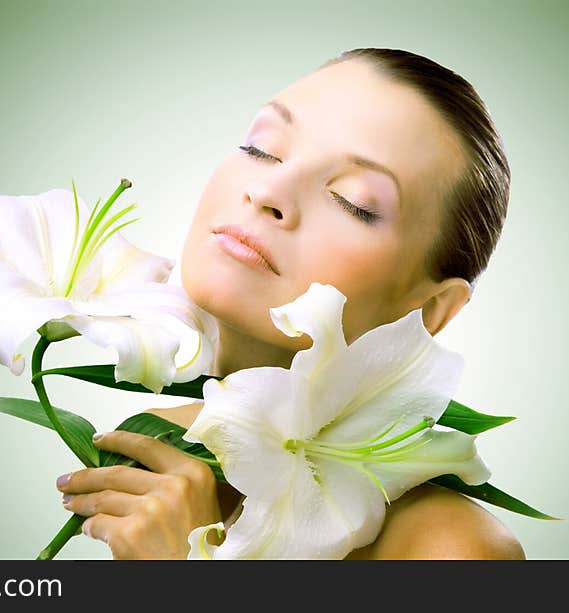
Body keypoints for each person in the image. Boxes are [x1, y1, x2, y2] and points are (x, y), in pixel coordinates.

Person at [54, 47, 525, 559]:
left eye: (355, 201)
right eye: (260, 148)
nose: (267, 190)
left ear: (430, 311)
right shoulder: (154, 448)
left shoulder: (450, 547)